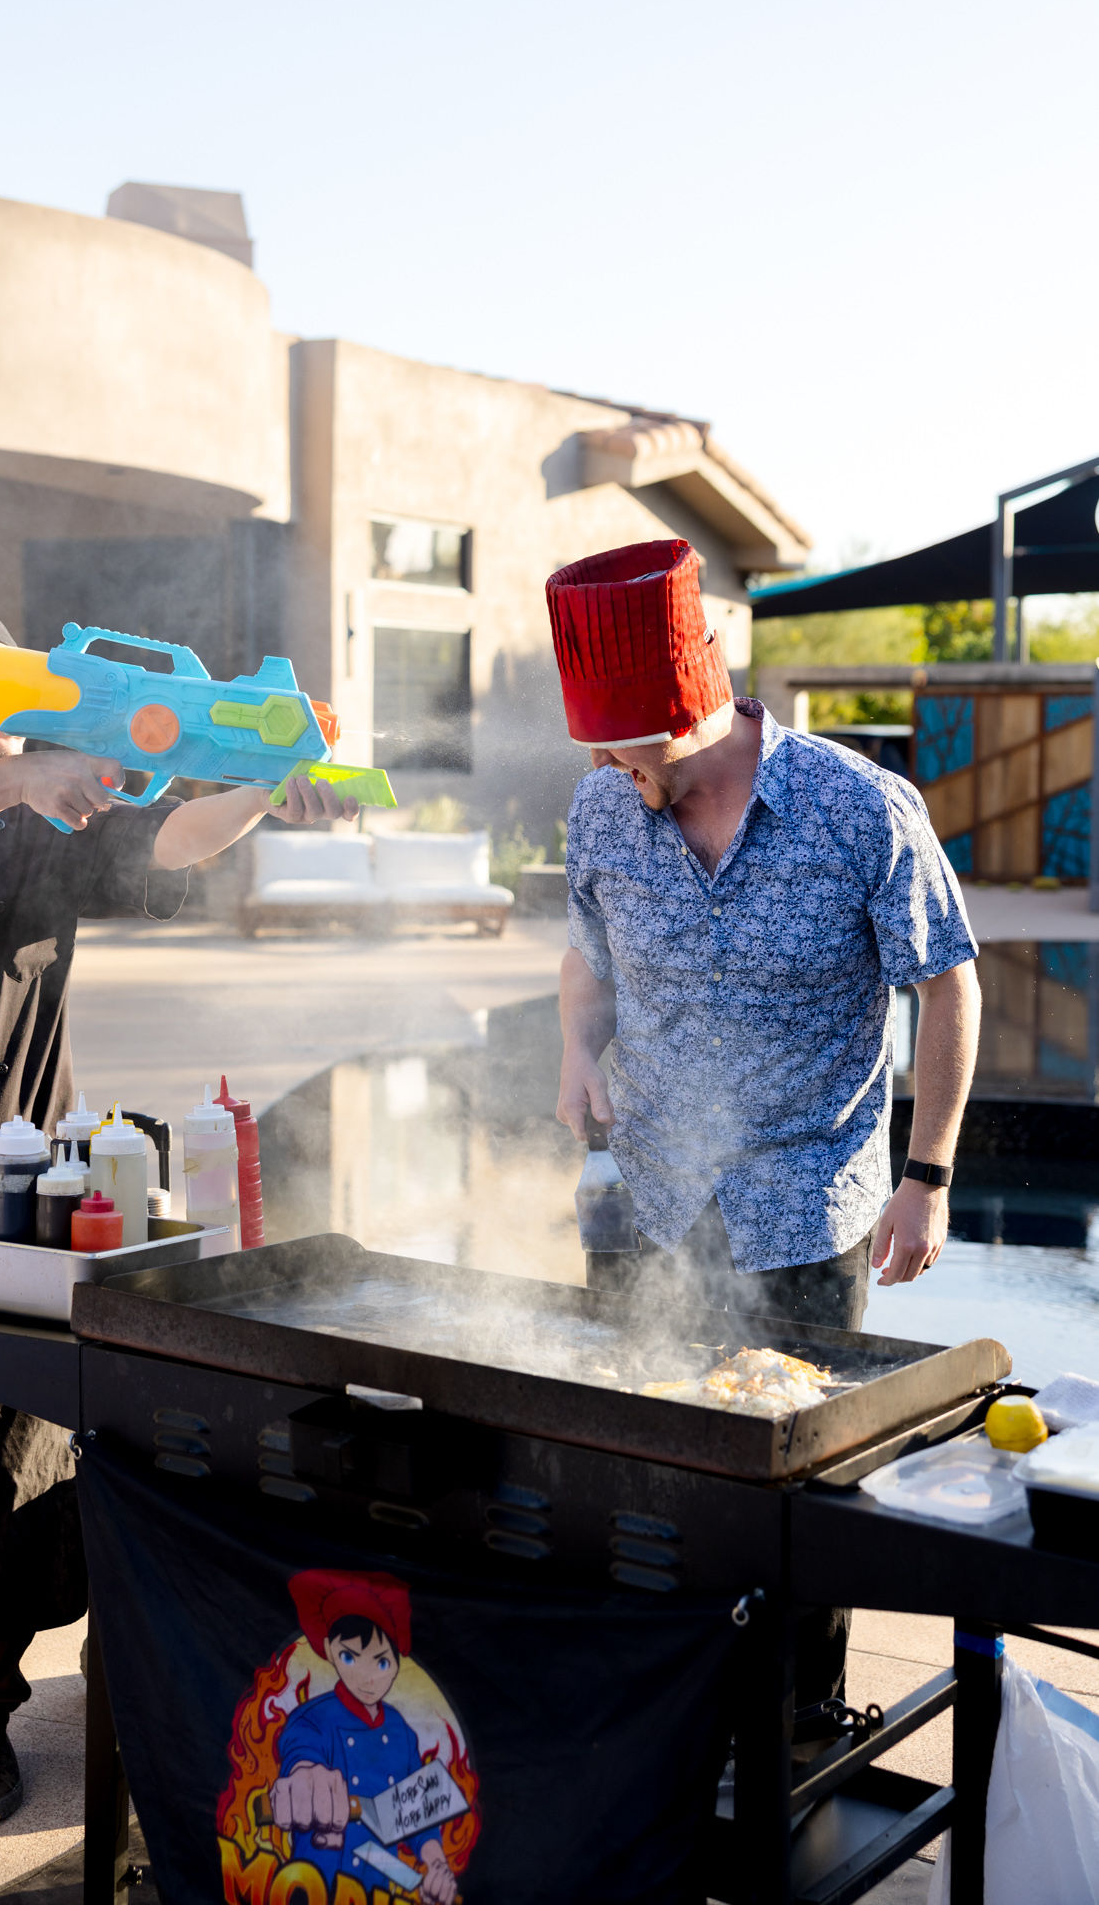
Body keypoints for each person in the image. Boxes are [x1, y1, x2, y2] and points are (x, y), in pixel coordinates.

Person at [0, 574, 355, 1824]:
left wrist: (264, 784)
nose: (13, 696)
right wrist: (12, 779)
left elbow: (172, 844)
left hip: (27, 1200)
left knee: (12, 1473)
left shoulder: (53, 825)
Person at [547, 537, 980, 1716]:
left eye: (632, 743)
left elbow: (948, 980)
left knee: (798, 1493)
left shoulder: (858, 807)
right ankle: (660, 1724)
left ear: (699, 702)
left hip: (806, 1204)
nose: (612, 765)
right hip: (650, 1195)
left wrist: (929, 1174)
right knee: (639, 1471)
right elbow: (585, 959)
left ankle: (795, 1725)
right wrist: (579, 1051)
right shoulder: (601, 804)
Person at [270, 1571, 458, 1905]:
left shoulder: (400, 1729)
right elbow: (301, 1754)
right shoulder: (312, 1718)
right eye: (349, 1657)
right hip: (318, 1887)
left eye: (382, 1662)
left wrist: (433, 1870)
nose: (367, 1677)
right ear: (329, 1649)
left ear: (398, 1664)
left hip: (378, 1888)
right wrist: (304, 1776)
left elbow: (416, 1816)